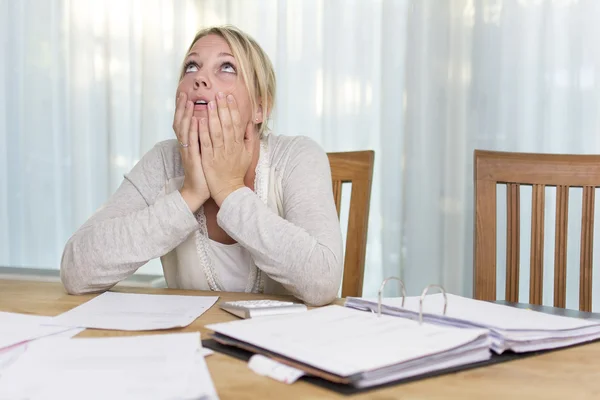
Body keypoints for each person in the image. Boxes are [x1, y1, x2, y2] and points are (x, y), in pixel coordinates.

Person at [59, 25, 343, 306]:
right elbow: (76, 270)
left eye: (227, 68)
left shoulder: (297, 157)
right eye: (191, 67)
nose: (200, 79)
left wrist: (230, 190)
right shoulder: (162, 162)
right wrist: (189, 195)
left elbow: (322, 282)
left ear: (260, 107)